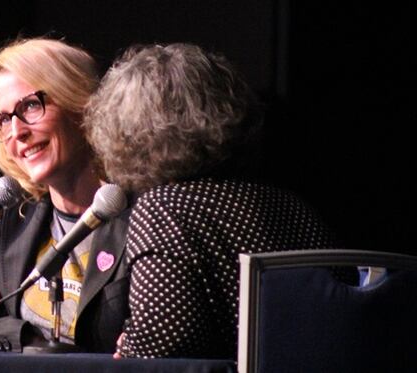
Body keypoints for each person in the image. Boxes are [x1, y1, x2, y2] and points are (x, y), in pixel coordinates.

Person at [83, 43, 341, 359]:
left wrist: (131, 347)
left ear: (127, 133)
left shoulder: (164, 209)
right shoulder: (293, 207)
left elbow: (165, 342)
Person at [0, 37, 131, 353]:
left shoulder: (143, 218)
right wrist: (28, 340)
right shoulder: (10, 222)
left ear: (81, 104)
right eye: (3, 120)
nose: (16, 132)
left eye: (30, 106)